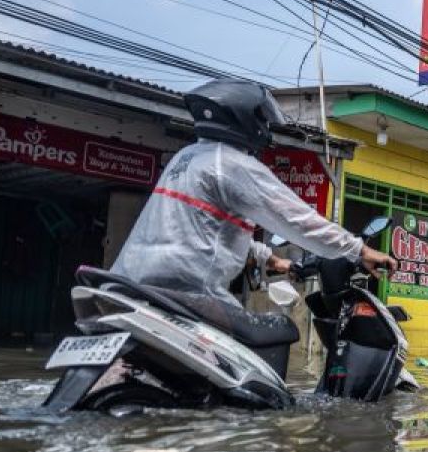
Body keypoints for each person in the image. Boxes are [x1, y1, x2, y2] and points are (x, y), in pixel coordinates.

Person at [112, 79, 397, 333]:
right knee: (274, 336)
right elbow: (299, 221)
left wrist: (271, 260)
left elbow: (201, 230)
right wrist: (361, 250)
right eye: (261, 119)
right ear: (244, 119)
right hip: (186, 295)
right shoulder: (233, 164)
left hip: (129, 284)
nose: (264, 128)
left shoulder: (187, 158)